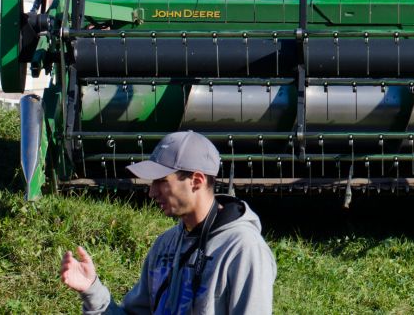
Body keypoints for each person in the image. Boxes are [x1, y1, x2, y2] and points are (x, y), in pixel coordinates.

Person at [58, 131, 277, 314]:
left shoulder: (243, 249)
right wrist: (92, 289)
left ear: (197, 181)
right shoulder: (166, 244)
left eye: (162, 181)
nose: (152, 192)